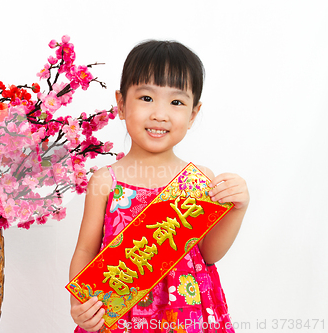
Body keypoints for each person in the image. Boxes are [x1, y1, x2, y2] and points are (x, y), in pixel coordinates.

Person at [69, 40, 249, 333]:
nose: (160, 114)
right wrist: (80, 305)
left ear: (193, 114)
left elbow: (209, 254)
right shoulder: (105, 181)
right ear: (122, 104)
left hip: (187, 314)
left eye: (176, 102)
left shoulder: (198, 180)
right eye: (146, 98)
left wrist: (237, 208)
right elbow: (86, 251)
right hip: (122, 316)